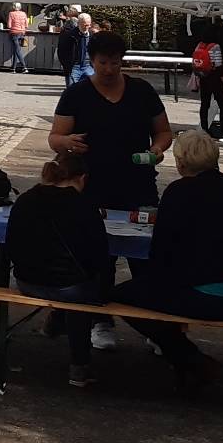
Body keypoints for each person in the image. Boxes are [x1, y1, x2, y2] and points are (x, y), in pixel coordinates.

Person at [112, 131, 223, 388]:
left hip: (211, 296)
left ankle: (189, 358)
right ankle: (187, 360)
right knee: (153, 292)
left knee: (121, 296)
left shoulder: (179, 192)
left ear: (181, 163)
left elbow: (161, 253)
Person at [48, 29, 173, 351]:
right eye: (103, 62)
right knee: (99, 257)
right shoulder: (77, 94)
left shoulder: (141, 91)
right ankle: (100, 320)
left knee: (147, 256)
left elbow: (163, 132)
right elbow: (55, 137)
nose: (108, 69)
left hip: (138, 184)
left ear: (122, 62)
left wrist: (157, 150)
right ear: (92, 61)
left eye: (115, 63)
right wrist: (66, 142)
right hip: (91, 187)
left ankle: (155, 325)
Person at [6, 152, 112, 386]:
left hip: (27, 281)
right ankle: (79, 365)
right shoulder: (84, 206)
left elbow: (11, 244)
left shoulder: (26, 199)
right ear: (82, 178)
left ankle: (55, 323)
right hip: (69, 287)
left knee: (73, 284)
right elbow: (99, 254)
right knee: (82, 289)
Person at [191, 18, 223, 139]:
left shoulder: (200, 45)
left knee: (205, 104)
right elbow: (218, 64)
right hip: (214, 78)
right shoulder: (215, 46)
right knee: (222, 104)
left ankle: (204, 127)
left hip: (203, 77)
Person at [60, 12, 95, 87]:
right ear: (79, 23)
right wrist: (67, 66)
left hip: (88, 66)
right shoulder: (69, 35)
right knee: (72, 91)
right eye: (84, 25)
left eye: (88, 25)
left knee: (90, 90)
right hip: (74, 67)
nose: (87, 27)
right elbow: (61, 52)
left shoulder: (92, 36)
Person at [5, 3, 31, 74]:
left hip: (14, 33)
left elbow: (9, 25)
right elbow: (26, 25)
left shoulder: (11, 13)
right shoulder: (24, 14)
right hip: (22, 33)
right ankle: (13, 68)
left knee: (17, 50)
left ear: (14, 7)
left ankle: (24, 67)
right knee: (16, 50)